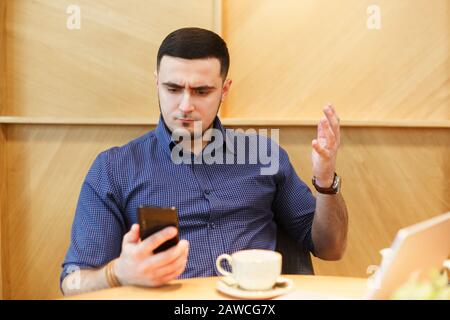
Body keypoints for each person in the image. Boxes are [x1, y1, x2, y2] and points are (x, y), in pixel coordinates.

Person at [61, 27, 348, 296]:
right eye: (173, 89)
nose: (185, 106)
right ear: (157, 82)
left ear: (224, 90)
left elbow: (330, 249)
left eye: (201, 91)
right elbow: (72, 283)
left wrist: (325, 181)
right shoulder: (115, 168)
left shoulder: (264, 155)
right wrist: (118, 273)